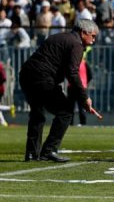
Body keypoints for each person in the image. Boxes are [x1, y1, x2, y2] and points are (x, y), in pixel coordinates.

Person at [19, 19, 99, 162]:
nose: (94, 40)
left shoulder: (58, 37)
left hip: (26, 75)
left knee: (37, 114)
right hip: (43, 78)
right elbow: (73, 73)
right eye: (93, 36)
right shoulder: (77, 44)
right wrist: (84, 98)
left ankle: (31, 154)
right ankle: (48, 151)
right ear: (84, 32)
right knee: (66, 111)